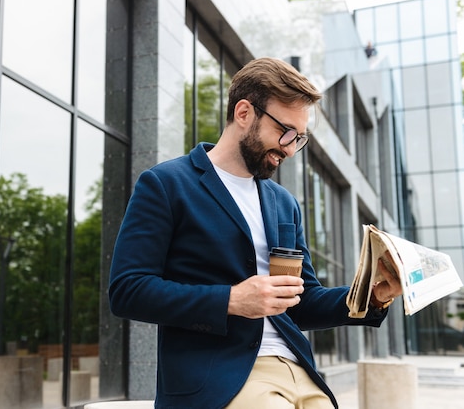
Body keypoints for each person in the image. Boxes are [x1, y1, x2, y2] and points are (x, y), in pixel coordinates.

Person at [108, 57, 402, 409]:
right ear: (244, 113)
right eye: (286, 132)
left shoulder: (284, 203)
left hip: (299, 370)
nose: (291, 149)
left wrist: (370, 296)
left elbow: (302, 302)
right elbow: (127, 290)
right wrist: (231, 300)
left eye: (300, 138)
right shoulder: (166, 185)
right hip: (218, 376)